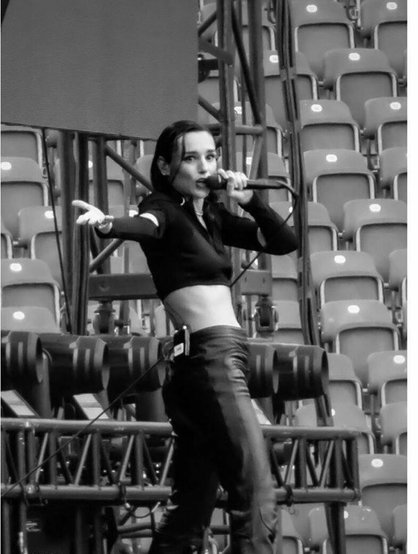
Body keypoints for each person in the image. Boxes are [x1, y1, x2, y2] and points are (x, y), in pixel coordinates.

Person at [73, 120, 298, 553]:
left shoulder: (213, 215)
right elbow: (145, 225)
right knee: (255, 488)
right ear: (165, 166)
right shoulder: (163, 207)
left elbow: (283, 240)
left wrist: (251, 201)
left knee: (193, 504)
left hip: (209, 361)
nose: (203, 167)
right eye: (191, 158)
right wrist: (107, 224)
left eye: (210, 157)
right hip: (211, 359)